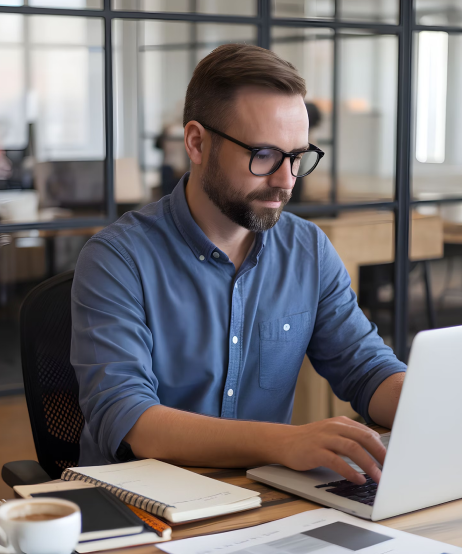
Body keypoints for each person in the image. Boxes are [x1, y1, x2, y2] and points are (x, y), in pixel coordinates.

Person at [71, 44, 406, 485]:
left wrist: (430, 406)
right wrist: (285, 442)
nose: (286, 180)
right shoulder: (117, 258)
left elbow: (366, 369)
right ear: (196, 143)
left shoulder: (308, 249)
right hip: (141, 509)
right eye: (263, 155)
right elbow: (133, 420)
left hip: (264, 500)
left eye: (297, 157)